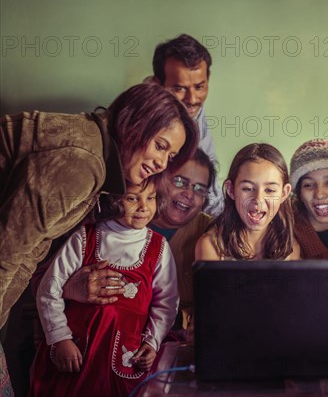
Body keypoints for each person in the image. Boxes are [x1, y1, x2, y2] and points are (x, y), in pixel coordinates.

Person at [0, 83, 196, 332]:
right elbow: (7, 251)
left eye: (170, 157)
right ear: (135, 124)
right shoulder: (85, 162)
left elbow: (30, 252)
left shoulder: (99, 157)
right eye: (160, 146)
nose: (161, 163)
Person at [29, 179, 178, 396]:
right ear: (113, 199)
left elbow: (166, 302)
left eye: (151, 198)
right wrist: (60, 337)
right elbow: (49, 288)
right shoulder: (85, 237)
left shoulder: (159, 247)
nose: (144, 207)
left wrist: (152, 342)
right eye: (132, 198)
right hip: (75, 354)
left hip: (125, 360)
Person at [151, 34, 223, 216]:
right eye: (179, 88)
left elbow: (208, 180)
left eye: (199, 87)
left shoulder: (193, 111)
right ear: (157, 84)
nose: (192, 99)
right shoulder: (137, 118)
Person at [195, 143, 300, 260]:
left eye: (269, 190)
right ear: (231, 189)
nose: (258, 200)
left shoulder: (290, 249)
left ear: (284, 193)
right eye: (248, 189)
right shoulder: (211, 246)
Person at [150, 149, 215, 331]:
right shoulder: (129, 217)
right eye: (180, 181)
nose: (189, 194)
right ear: (160, 178)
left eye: (200, 189)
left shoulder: (211, 232)